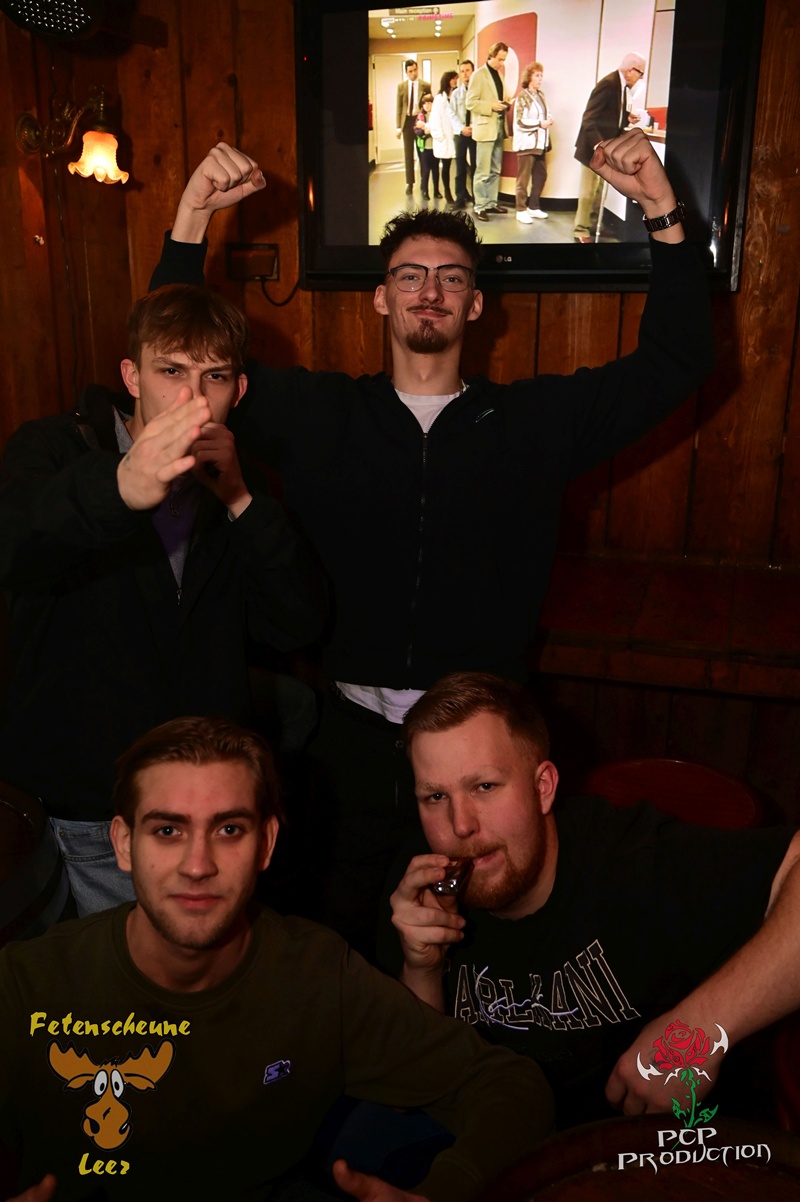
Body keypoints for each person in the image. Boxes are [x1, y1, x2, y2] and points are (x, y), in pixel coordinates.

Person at [149, 132, 713, 955]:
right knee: (337, 946)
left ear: (475, 306)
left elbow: (677, 360)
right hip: (347, 745)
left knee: (478, 953)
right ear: (381, 298)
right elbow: (176, 359)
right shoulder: (320, 416)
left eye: (452, 278)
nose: (430, 290)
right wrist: (191, 216)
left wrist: (662, 208)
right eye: (410, 275)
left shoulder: (533, 424)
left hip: (478, 756)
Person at [0, 714, 553, 1202]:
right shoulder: (29, 984)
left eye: (229, 830)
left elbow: (510, 1086)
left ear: (265, 844)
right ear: (123, 843)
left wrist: (444, 1191)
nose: (198, 865)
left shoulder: (315, 975)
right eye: (168, 830)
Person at [0, 284, 326, 917]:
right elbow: (17, 544)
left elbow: (296, 623)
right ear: (132, 377)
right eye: (170, 371)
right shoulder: (58, 449)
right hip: (89, 809)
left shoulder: (237, 481)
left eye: (214, 377)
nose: (191, 399)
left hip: (200, 803)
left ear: (238, 390)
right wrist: (121, 487)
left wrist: (239, 500)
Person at [386, 672, 800, 1128]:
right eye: (435, 796)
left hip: (643, 1145)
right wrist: (422, 969)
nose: (460, 825)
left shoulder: (634, 862)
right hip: (490, 1142)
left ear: (542, 787)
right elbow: (408, 1097)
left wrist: (701, 1029)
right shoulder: (419, 884)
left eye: (484, 787)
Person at [573, 52, 646, 242]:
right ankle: (580, 230)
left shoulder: (620, 86)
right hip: (593, 148)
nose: (640, 78)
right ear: (630, 70)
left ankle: (594, 224)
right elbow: (589, 119)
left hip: (604, 148)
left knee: (598, 191)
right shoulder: (608, 84)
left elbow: (610, 116)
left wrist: (626, 118)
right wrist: (599, 144)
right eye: (641, 73)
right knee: (588, 191)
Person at [466, 42, 510, 222]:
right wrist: (491, 106)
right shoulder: (478, 75)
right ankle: (480, 206)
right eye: (499, 59)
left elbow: (501, 97)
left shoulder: (499, 75)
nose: (501, 63)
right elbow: (470, 102)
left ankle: (491, 202)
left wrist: (507, 102)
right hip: (485, 127)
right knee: (482, 170)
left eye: (504, 60)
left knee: (495, 169)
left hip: (499, 126)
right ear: (491, 55)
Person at [512, 62, 553, 223]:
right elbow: (520, 121)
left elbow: (544, 113)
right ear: (529, 77)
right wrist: (539, 123)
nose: (540, 78)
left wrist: (549, 119)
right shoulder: (523, 97)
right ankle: (520, 209)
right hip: (527, 144)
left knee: (540, 176)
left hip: (540, 144)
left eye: (541, 75)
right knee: (523, 179)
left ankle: (533, 207)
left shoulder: (540, 95)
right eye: (537, 75)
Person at [396, 60, 431, 197]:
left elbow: (429, 105)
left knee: (422, 153)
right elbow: (399, 107)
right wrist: (398, 126)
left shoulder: (425, 85)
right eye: (410, 71)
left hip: (419, 120)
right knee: (408, 155)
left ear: (417, 69)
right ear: (406, 72)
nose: (413, 73)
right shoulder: (401, 87)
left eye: (415, 70)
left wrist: (428, 123)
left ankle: (424, 184)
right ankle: (410, 183)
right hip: (407, 122)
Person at [429, 71, 458, 206]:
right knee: (446, 167)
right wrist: (439, 136)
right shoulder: (439, 98)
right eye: (453, 79)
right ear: (447, 80)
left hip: (456, 136)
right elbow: (435, 119)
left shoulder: (457, 95)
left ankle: (462, 193)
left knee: (459, 167)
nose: (455, 81)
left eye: (456, 79)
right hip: (445, 138)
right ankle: (447, 193)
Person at [449, 60, 475, 210]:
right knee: (460, 168)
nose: (465, 74)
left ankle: (477, 199)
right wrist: (462, 129)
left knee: (476, 167)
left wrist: (473, 127)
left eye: (468, 70)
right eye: (463, 71)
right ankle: (460, 199)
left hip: (475, 133)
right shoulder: (455, 94)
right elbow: (452, 114)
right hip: (460, 133)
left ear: (473, 72)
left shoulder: (477, 92)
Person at [413, 94, 440, 202]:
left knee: (436, 170)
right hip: (424, 148)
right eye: (424, 104)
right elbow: (417, 131)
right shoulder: (420, 117)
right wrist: (425, 132)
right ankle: (425, 191)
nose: (427, 105)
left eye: (429, 103)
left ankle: (436, 191)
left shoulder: (437, 116)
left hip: (435, 147)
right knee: (425, 170)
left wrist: (430, 130)